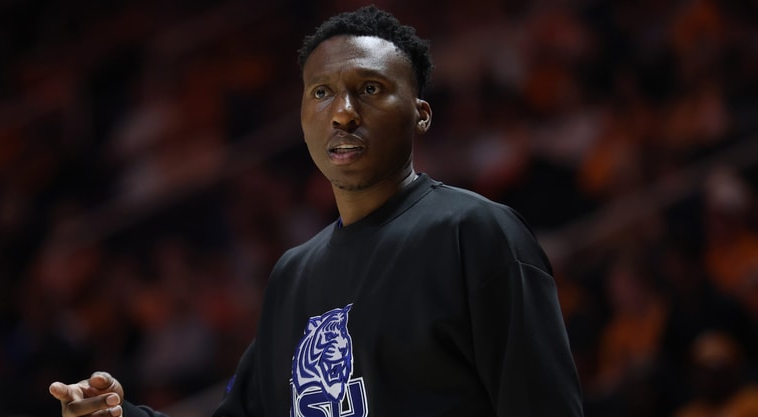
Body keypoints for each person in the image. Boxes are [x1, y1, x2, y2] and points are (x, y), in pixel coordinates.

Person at [49, 5, 584, 416]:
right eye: (322, 92)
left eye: (370, 89)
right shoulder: (293, 276)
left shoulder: (476, 233)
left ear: (420, 115)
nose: (343, 113)